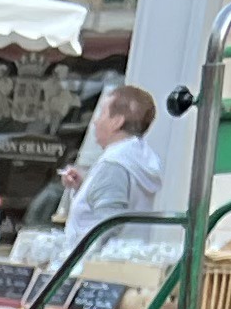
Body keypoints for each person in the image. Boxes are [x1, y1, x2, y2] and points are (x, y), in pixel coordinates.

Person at [56, 83, 163, 248]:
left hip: (96, 262)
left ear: (117, 122)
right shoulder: (136, 158)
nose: (96, 121)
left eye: (102, 113)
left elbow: (107, 226)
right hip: (128, 258)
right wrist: (83, 187)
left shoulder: (115, 164)